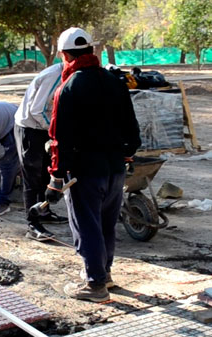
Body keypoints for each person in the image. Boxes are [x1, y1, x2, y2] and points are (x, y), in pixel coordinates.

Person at [45, 27, 141, 302]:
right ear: (91, 52)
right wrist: (126, 153)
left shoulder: (68, 87)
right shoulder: (114, 81)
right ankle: (104, 274)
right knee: (106, 224)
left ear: (66, 55)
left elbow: (59, 137)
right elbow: (131, 128)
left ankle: (95, 285)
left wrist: (56, 178)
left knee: (86, 226)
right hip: (115, 168)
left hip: (85, 172)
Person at [14, 62, 69, 242]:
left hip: (45, 127)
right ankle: (33, 223)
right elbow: (36, 110)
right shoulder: (55, 75)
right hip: (31, 128)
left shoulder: (71, 73)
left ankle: (44, 211)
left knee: (47, 172)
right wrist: (55, 130)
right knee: (32, 177)